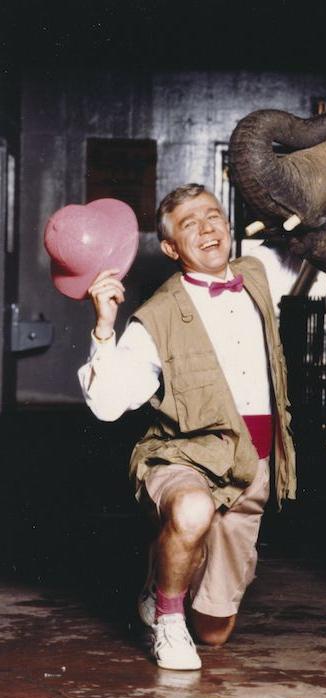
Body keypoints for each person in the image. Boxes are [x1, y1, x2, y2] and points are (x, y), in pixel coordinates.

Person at [78, 183, 296, 670]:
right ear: (172, 248)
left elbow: (309, 243)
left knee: (216, 633)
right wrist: (103, 327)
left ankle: (163, 583)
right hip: (183, 458)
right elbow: (109, 405)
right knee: (192, 511)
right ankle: (169, 620)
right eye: (190, 224)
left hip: (249, 469)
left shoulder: (258, 275)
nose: (206, 227)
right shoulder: (153, 318)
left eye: (212, 215)